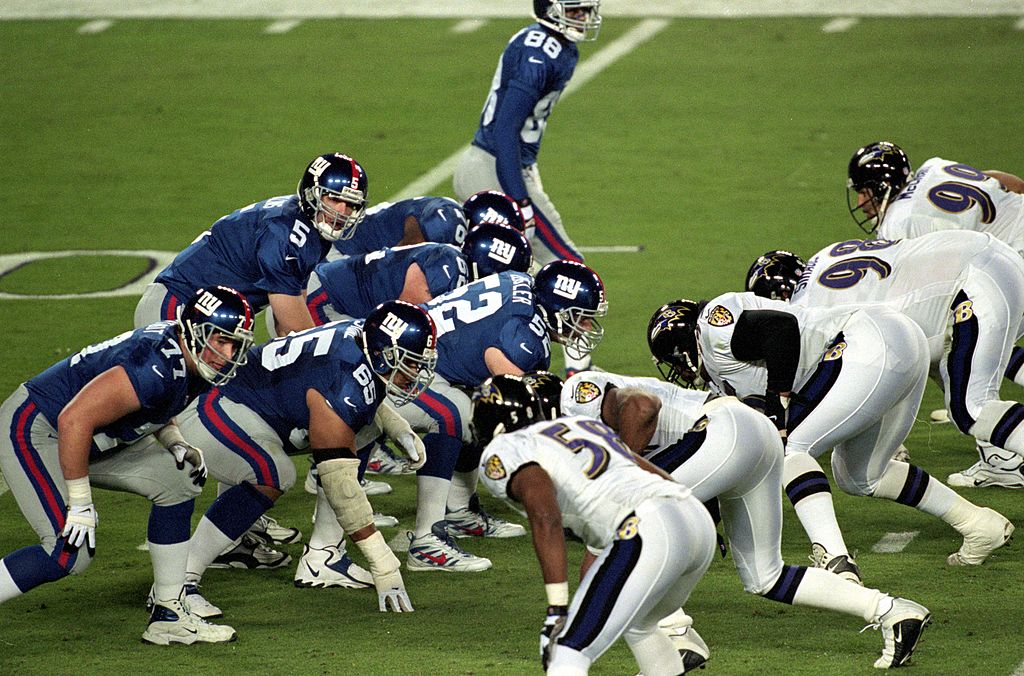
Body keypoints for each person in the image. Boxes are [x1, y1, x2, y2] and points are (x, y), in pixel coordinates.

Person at [560, 369, 932, 669]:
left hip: (723, 430)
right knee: (765, 576)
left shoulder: (585, 394)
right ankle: (892, 611)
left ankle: (676, 641)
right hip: (745, 438)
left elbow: (642, 408)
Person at [646, 296, 1014, 576]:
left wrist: (777, 402)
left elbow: (780, 330)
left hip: (867, 341)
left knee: (789, 448)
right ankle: (977, 523)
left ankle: (835, 560)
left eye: (676, 361)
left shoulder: (713, 325)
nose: (679, 371)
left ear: (683, 346)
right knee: (861, 475)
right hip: (894, 347)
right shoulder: (721, 373)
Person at [0, 286, 254, 644]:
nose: (227, 354)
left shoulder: (187, 358)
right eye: (221, 340)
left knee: (179, 477)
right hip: (38, 428)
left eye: (235, 344)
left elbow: (156, 406)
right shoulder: (155, 364)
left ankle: (168, 612)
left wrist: (175, 441)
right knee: (68, 553)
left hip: (91, 438)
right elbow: (74, 420)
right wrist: (80, 502)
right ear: (196, 330)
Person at [173, 301, 437, 616]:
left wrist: (396, 426)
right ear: (383, 354)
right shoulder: (344, 376)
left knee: (365, 428)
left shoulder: (361, 341)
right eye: (410, 362)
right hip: (213, 405)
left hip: (255, 407)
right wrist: (382, 561)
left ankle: (323, 557)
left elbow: (355, 393)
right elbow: (339, 483)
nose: (417, 372)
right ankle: (178, 582)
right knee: (273, 473)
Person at [472, 374, 717, 676]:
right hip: (693, 517)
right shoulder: (581, 425)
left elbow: (545, 517)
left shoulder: (505, 450)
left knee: (567, 654)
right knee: (640, 625)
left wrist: (557, 609)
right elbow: (651, 472)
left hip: (647, 526)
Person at [396, 260, 607, 573]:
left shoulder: (521, 283)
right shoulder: (522, 336)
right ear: (557, 310)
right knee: (468, 415)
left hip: (429, 358)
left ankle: (458, 510)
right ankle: (427, 539)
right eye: (582, 318)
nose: (586, 327)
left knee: (474, 412)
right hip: (404, 370)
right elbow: (520, 415)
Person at [771, 233, 1024, 489]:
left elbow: (833, 379)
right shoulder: (822, 258)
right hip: (989, 256)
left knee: (972, 408)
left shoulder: (805, 310)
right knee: (953, 372)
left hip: (972, 282)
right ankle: (1001, 460)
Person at [453, 0, 603, 375]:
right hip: (495, 169)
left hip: (502, 166)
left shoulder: (556, 46)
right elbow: (505, 131)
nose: (583, 17)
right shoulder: (541, 50)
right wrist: (520, 201)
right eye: (576, 9)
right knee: (574, 275)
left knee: (504, 282)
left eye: (586, 9)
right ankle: (577, 383)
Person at [135, 152, 368, 338]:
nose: (341, 212)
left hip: (210, 315)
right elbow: (296, 327)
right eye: (334, 199)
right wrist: (332, 351)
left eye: (350, 204)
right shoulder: (285, 232)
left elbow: (289, 322)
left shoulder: (310, 229)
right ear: (312, 194)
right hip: (179, 306)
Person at [291, 223, 532, 333]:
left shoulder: (453, 264)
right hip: (317, 301)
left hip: (337, 305)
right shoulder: (448, 265)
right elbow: (400, 322)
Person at [846, 141, 1024, 254]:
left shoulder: (897, 225)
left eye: (864, 192)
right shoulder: (933, 167)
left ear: (883, 187)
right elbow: (1016, 185)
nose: (860, 203)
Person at [326, 190, 524, 262]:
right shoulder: (448, 220)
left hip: (353, 261)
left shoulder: (452, 224)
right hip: (339, 256)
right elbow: (401, 260)